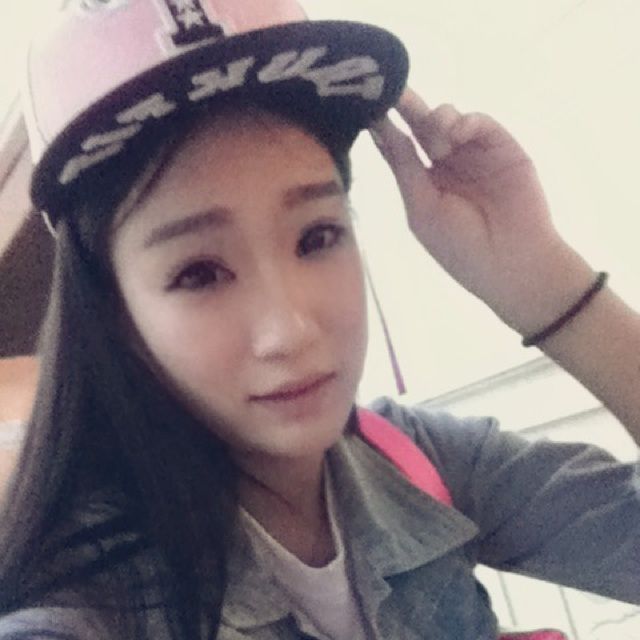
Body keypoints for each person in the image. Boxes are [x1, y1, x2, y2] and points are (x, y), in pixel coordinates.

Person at [0, 1, 638, 639]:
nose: (290, 331)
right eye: (199, 273)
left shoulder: (416, 460)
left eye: (316, 237)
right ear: (114, 310)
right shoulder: (88, 612)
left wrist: (545, 283)